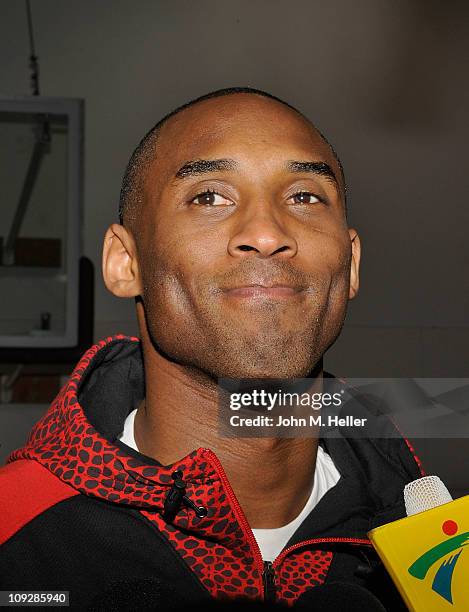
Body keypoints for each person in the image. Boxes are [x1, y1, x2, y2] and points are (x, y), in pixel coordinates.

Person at [0, 88, 423, 610]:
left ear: (352, 263)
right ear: (124, 263)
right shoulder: (13, 536)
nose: (267, 233)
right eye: (209, 197)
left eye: (305, 196)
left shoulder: (432, 541)